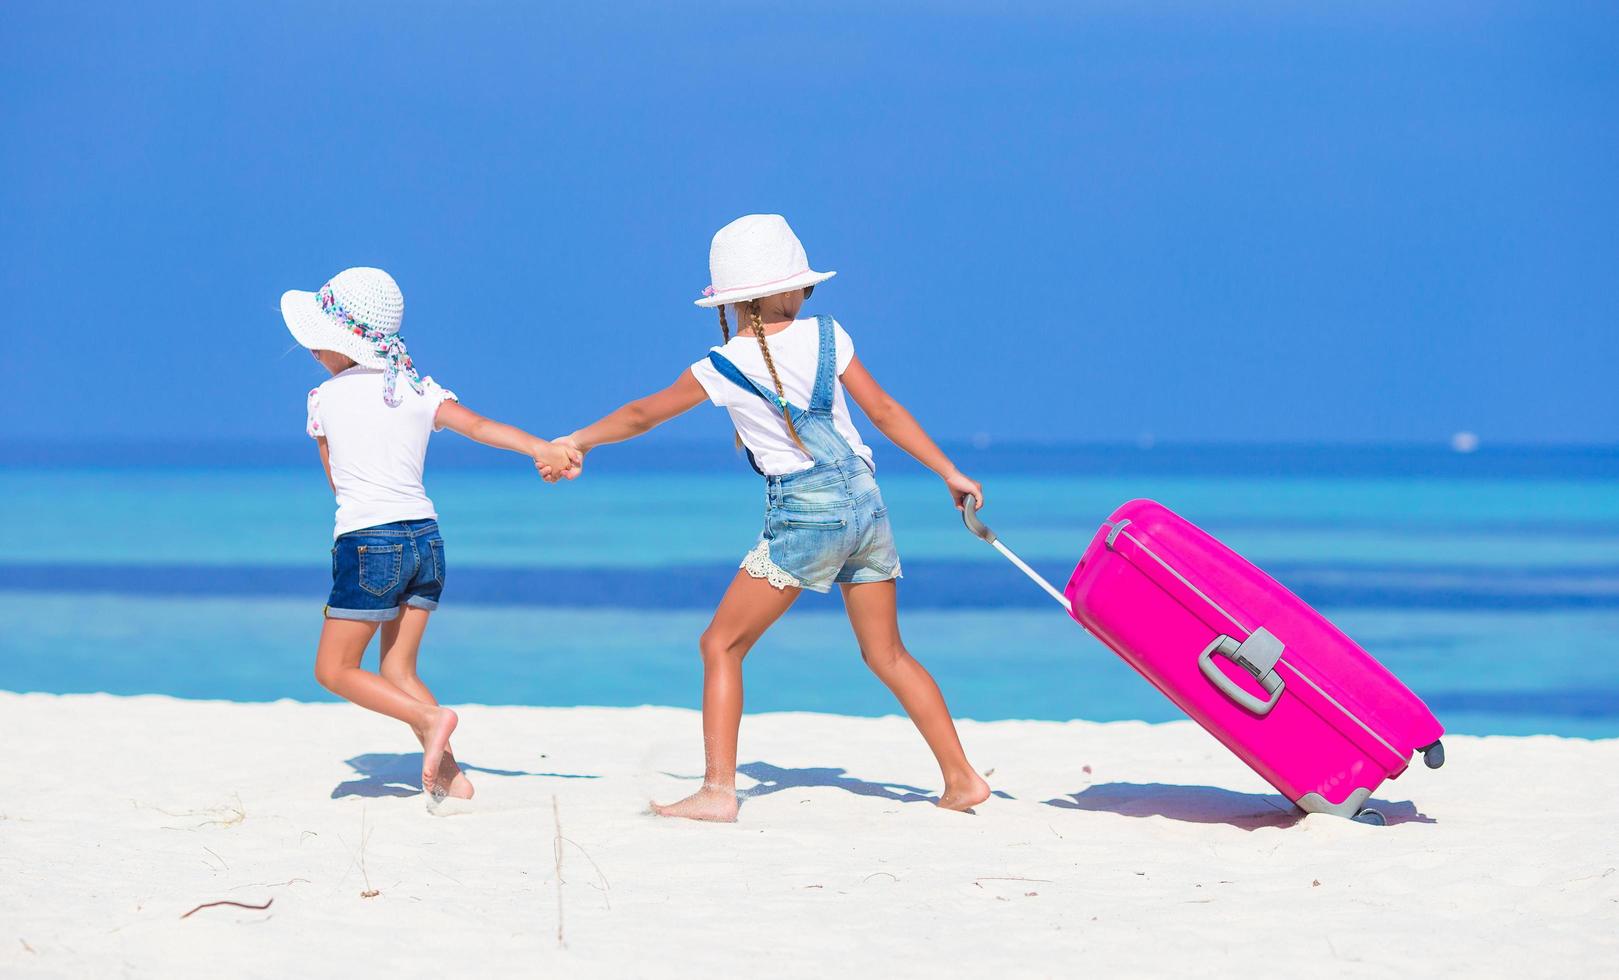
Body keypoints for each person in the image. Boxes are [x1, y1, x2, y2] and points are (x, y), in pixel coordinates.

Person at [557, 215, 990, 821]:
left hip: (807, 513)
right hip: (867, 503)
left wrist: (577, 440)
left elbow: (640, 415)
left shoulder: (722, 365)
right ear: (790, 290)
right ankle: (962, 778)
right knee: (888, 654)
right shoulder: (830, 338)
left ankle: (716, 791)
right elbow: (886, 413)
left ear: (729, 301)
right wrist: (950, 472)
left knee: (721, 645)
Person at [281, 266, 578, 804]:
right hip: (427, 541)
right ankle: (452, 780)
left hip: (370, 541)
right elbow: (483, 427)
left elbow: (337, 483)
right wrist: (543, 449)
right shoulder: (419, 388)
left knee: (333, 669)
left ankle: (428, 716)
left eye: (317, 343)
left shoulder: (323, 399)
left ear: (339, 343)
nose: (312, 353)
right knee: (397, 667)